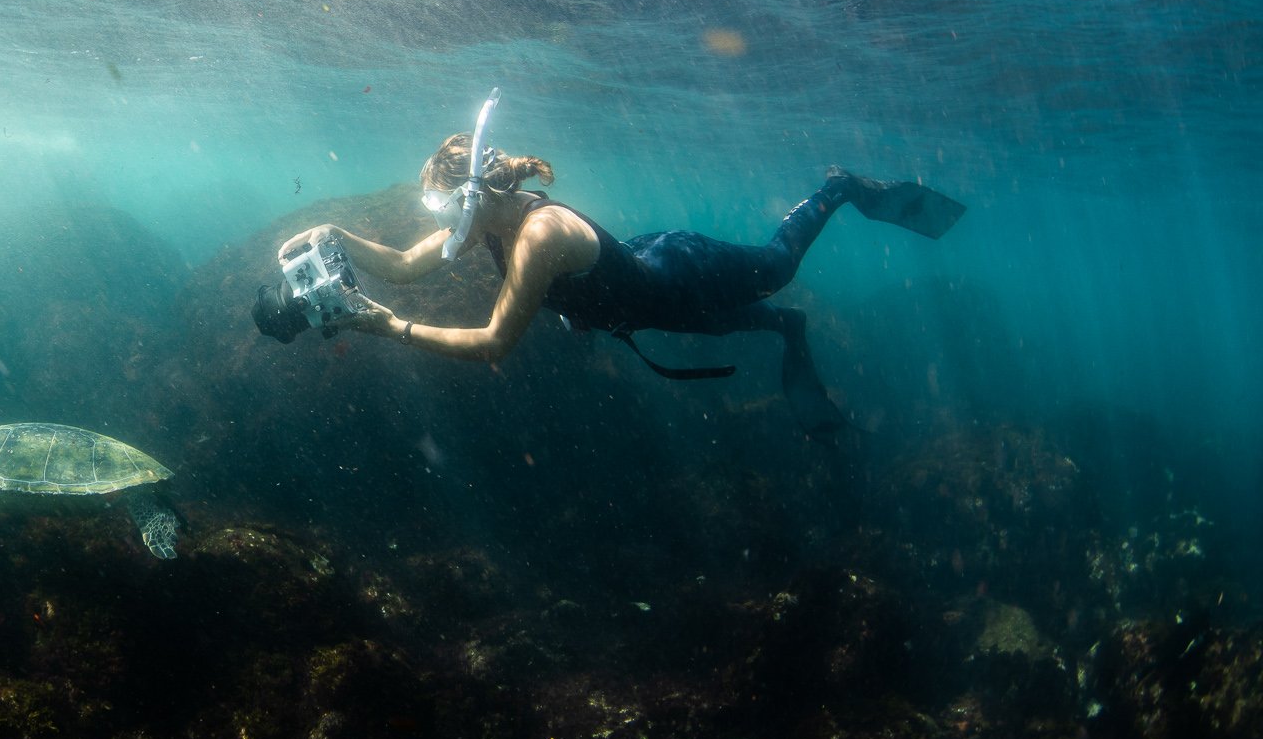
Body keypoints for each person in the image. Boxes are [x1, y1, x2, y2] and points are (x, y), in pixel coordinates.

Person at [278, 125, 965, 437]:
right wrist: (334, 236)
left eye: (443, 204)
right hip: (636, 298)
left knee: (775, 271)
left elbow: (493, 343)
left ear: (476, 191)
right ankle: (789, 330)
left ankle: (837, 188)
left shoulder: (538, 236)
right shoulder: (484, 220)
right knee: (726, 322)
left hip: (677, 274)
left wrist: (389, 326)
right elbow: (403, 264)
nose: (442, 220)